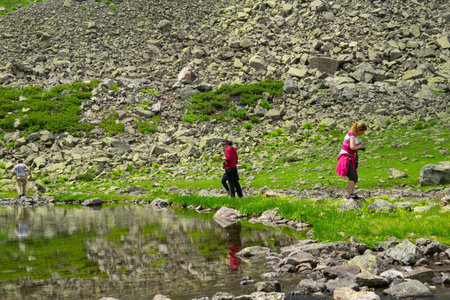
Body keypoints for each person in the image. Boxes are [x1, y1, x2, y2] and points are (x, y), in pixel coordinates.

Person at [336, 122, 367, 199]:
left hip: (349, 157)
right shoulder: (351, 135)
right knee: (352, 176)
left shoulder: (354, 136)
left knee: (355, 177)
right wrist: (359, 146)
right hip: (345, 157)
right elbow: (352, 147)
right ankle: (349, 194)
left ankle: (352, 193)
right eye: (362, 132)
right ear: (359, 130)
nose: (362, 133)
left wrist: (359, 147)